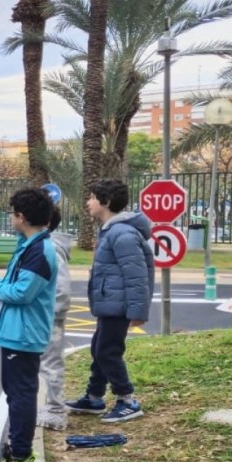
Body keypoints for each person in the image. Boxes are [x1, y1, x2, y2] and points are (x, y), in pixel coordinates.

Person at [0, 187, 60, 462]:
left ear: (21, 217)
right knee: (17, 394)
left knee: (20, 395)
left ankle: (22, 455)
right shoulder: (29, 245)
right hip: (17, 332)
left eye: (12, 214)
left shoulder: (39, 252)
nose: (10, 218)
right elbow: (15, 282)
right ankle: (19, 449)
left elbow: (21, 292)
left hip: (24, 334)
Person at [66, 179, 154, 423]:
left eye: (93, 197)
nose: (88, 202)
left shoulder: (122, 234)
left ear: (106, 202)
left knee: (107, 351)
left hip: (118, 306)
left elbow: (137, 276)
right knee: (99, 348)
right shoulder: (111, 231)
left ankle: (127, 400)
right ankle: (94, 397)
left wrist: (137, 312)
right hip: (109, 303)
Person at [38, 205, 73, 431]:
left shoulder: (50, 248)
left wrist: (48, 314)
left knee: (51, 363)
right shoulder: (45, 246)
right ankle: (52, 407)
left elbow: (61, 289)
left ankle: (56, 411)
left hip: (50, 317)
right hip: (46, 315)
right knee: (46, 362)